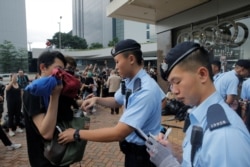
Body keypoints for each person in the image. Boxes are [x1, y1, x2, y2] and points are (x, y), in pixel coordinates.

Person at [58, 39, 165, 167]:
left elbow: (118, 133)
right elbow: (116, 100)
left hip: (143, 156)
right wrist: (97, 99)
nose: (115, 67)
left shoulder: (145, 90)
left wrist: (76, 134)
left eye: (117, 62)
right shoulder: (131, 81)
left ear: (131, 59)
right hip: (133, 151)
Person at [146, 41, 250, 167]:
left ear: (202, 74)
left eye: (177, 81)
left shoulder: (224, 137)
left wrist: (168, 164)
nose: (174, 91)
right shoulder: (200, 116)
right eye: (171, 84)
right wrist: (173, 154)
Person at [23, 51, 70, 167]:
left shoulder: (53, 87)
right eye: (58, 69)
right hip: (44, 159)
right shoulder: (34, 91)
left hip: (59, 155)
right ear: (43, 67)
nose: (61, 74)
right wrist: (55, 96)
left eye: (63, 70)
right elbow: (46, 133)